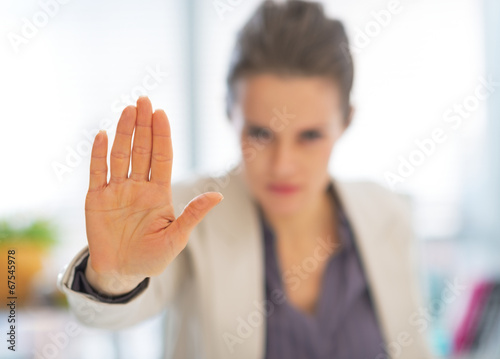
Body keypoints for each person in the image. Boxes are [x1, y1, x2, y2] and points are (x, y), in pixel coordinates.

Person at [57, 1, 433, 358]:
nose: (283, 165)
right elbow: (102, 316)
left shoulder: (388, 212)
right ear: (229, 113)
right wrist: (115, 277)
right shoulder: (185, 214)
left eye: (310, 136)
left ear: (346, 120)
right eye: (260, 133)